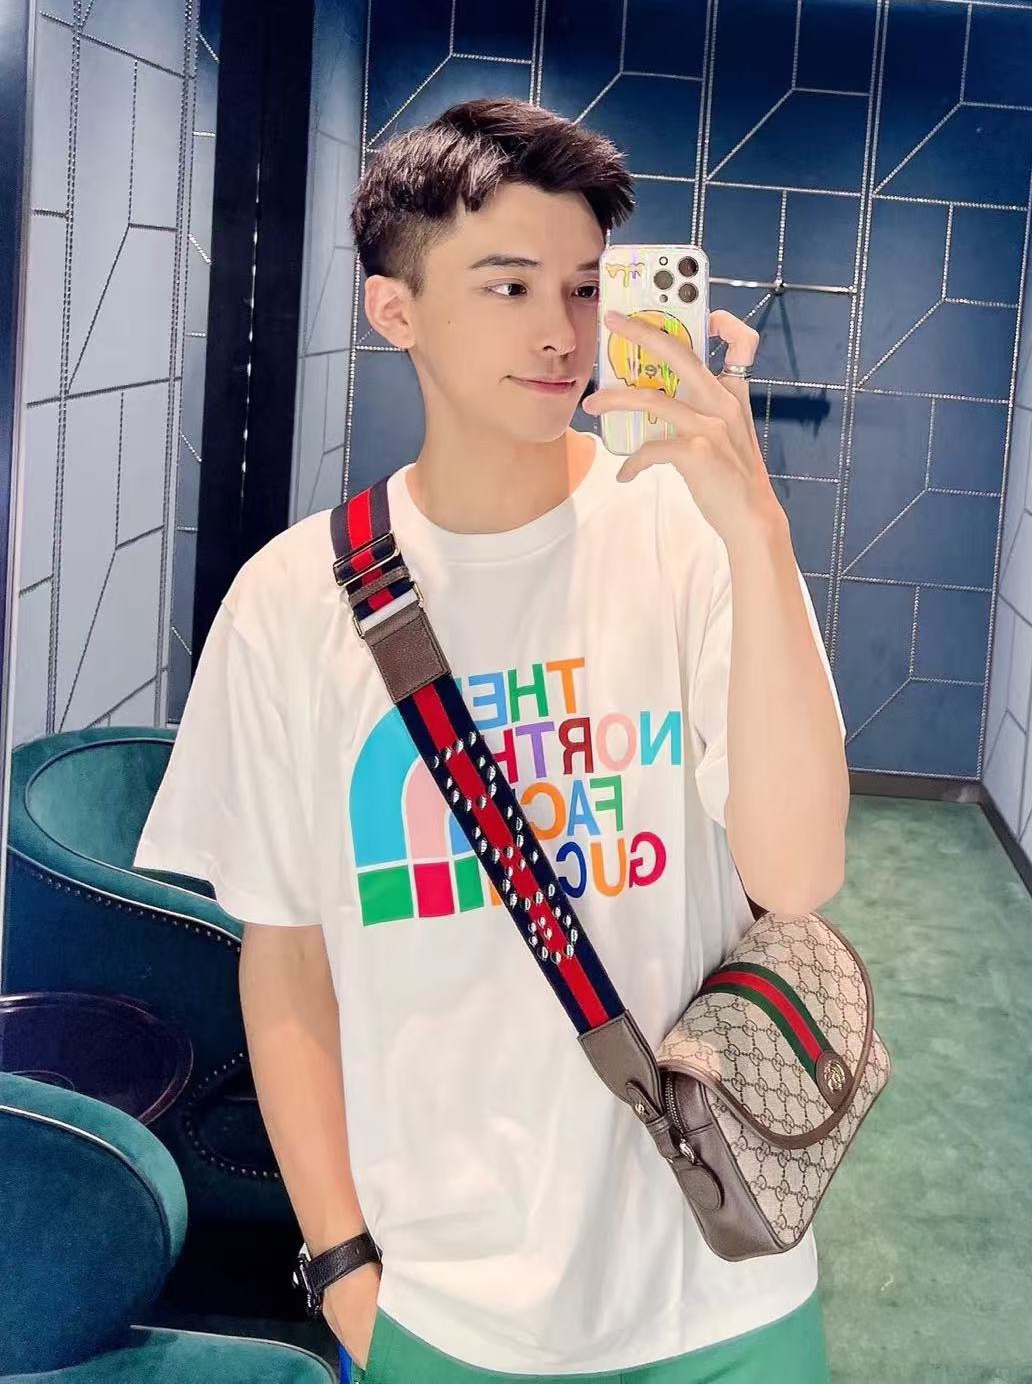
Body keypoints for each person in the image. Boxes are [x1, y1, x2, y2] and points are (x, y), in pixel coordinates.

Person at [135, 97, 850, 1384]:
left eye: (583, 286)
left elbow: (795, 874)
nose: (561, 332)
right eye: (507, 285)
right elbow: (286, 956)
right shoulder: (292, 601)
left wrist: (755, 526)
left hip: (718, 1277)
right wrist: (340, 1263)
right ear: (394, 309)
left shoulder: (689, 536)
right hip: (448, 1302)